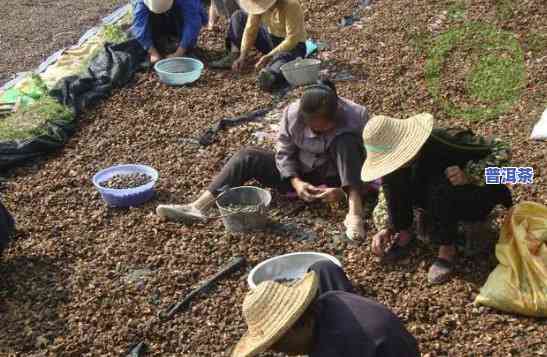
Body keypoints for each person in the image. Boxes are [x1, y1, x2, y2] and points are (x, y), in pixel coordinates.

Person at [156, 80, 370, 240]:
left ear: (335, 115)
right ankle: (197, 206)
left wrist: (341, 192)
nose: (314, 130)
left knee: (346, 142)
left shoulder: (356, 116)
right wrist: (296, 182)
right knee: (247, 156)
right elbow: (284, 151)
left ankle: (355, 213)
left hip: (340, 176)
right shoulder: (293, 113)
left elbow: (371, 163)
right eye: (310, 125)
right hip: (301, 173)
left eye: (321, 126)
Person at [361, 114, 513, 284]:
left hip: (471, 195)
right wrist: (389, 226)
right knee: (392, 178)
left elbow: (509, 161)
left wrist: (471, 175)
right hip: (429, 200)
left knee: (441, 181)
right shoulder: (399, 166)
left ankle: (447, 248)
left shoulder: (447, 140)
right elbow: (388, 191)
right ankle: (403, 232)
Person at [231, 261, 420, 357]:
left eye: (280, 344)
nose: (279, 352)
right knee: (322, 267)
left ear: (302, 324)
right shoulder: (330, 298)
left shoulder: (332, 349)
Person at [210, 0, 308, 92]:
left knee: (283, 59)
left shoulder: (291, 5)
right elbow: (250, 30)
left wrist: (268, 56)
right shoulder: (258, 7)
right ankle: (234, 55)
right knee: (238, 16)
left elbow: (292, 40)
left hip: (293, 46)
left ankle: (271, 73)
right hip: (271, 39)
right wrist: (242, 55)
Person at [131, 0, 208, 64]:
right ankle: (157, 43)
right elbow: (139, 27)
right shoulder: (140, 3)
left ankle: (182, 42)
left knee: (186, 14)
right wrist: (153, 53)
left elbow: (192, 23)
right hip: (151, 12)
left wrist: (179, 52)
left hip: (180, 6)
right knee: (148, 23)